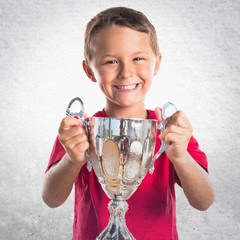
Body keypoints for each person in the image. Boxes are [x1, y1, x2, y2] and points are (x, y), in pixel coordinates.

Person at [42, 7, 214, 240]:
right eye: (111, 61)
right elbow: (51, 199)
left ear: (156, 63)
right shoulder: (78, 131)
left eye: (138, 58)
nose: (126, 72)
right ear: (89, 70)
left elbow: (204, 201)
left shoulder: (172, 132)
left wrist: (181, 156)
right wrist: (72, 159)